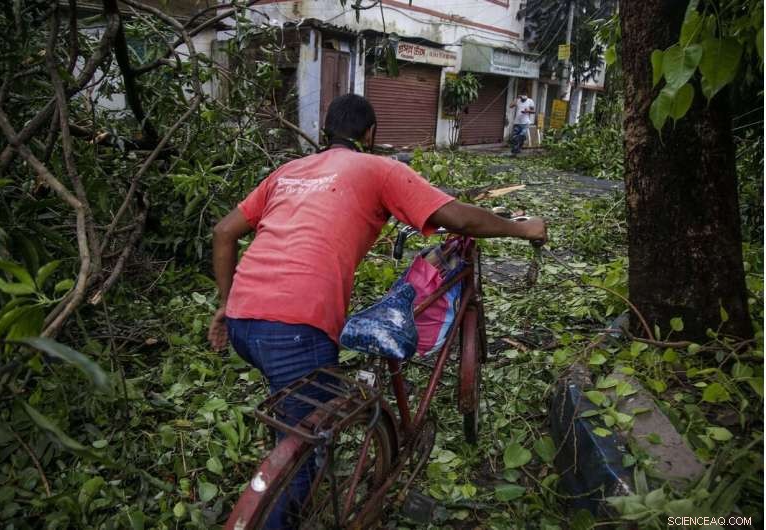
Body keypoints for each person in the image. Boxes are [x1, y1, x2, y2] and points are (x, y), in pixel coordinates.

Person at [208, 94, 546, 528]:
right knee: (304, 457)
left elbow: (223, 232)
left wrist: (225, 302)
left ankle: (284, 453)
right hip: (295, 327)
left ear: (326, 131)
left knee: (294, 417)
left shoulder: (286, 172)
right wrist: (522, 228)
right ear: (370, 134)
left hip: (242, 322)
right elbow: (459, 219)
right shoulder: (379, 168)